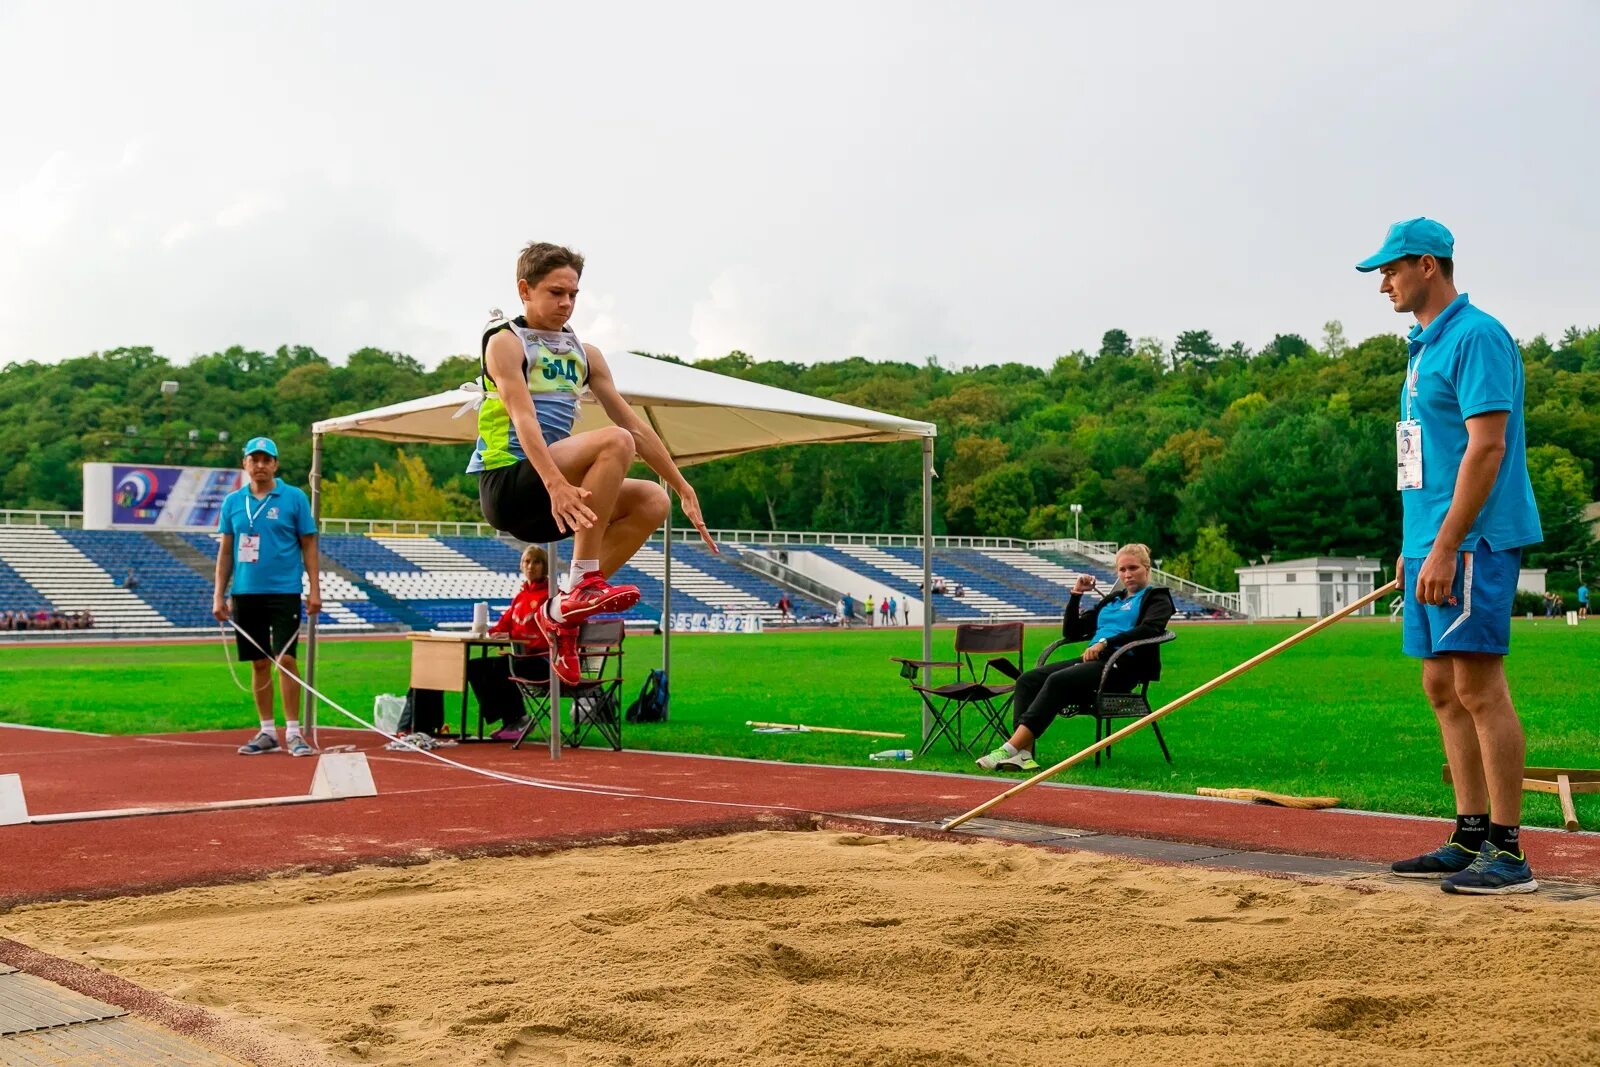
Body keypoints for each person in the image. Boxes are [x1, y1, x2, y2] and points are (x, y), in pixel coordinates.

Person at [1359, 217, 1543, 894]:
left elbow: (1486, 447)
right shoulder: (1420, 349)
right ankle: (1469, 836)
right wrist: (1414, 548)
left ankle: (1509, 848)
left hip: (1473, 541)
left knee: (1478, 687)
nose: (1384, 283)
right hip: (1430, 544)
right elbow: (1423, 458)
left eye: (1391, 270)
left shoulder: (1477, 337)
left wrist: (1445, 545)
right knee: (1441, 687)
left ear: (1428, 265)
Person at [468, 242, 716, 685]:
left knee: (651, 500)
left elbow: (635, 425)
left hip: (556, 496)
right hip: (511, 482)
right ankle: (583, 580)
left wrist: (681, 485)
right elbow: (523, 417)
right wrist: (556, 485)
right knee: (613, 442)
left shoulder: (585, 354)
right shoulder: (505, 343)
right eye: (555, 292)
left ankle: (563, 608)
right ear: (524, 289)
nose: (566, 303)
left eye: (573, 294)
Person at [977, 544, 1174, 771]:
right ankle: (1024, 754)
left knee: (1058, 680)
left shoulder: (1157, 598)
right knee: (1027, 680)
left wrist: (1105, 642)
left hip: (1121, 669)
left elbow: (1150, 629)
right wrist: (1076, 594)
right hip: (1093, 664)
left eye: (1133, 568)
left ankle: (1009, 748)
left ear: (1147, 569)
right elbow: (1071, 632)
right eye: (1122, 569)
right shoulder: (1112, 600)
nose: (1127, 574)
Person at [214, 437, 322, 757]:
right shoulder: (233, 502)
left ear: (275, 464)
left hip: (284, 591)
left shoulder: (294, 498)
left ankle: (293, 732)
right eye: (254, 459)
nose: (260, 465)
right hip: (246, 592)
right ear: (244, 463)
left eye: (266, 460)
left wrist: (315, 588)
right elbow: (225, 550)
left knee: (286, 660)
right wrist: (218, 594)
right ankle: (266, 730)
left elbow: (309, 544)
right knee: (259, 663)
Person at [467, 545, 552, 741]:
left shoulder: (551, 595)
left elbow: (549, 632)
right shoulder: (520, 597)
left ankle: (519, 719)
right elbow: (502, 626)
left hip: (544, 660)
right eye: (527, 562)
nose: (531, 566)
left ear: (545, 566)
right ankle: (509, 720)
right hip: (523, 658)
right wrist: (493, 633)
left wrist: (514, 636)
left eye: (536, 562)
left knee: (502, 667)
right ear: (521, 565)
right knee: (475, 667)